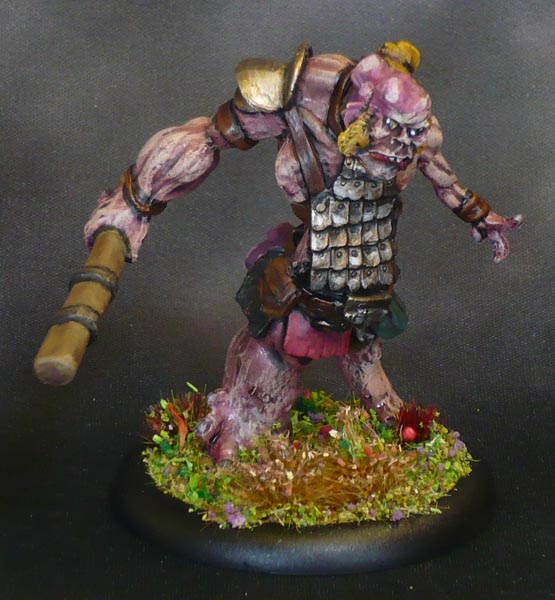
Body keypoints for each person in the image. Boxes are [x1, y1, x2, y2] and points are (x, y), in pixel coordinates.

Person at [84, 41, 521, 462]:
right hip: (311, 261)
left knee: (363, 337)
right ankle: (248, 421)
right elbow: (208, 136)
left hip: (367, 260)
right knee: (282, 339)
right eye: (392, 131)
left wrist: (483, 218)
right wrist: (136, 202)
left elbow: (443, 177)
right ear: (362, 111)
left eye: (411, 135)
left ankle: (387, 413)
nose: (402, 148)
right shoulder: (302, 98)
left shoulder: (417, 133)